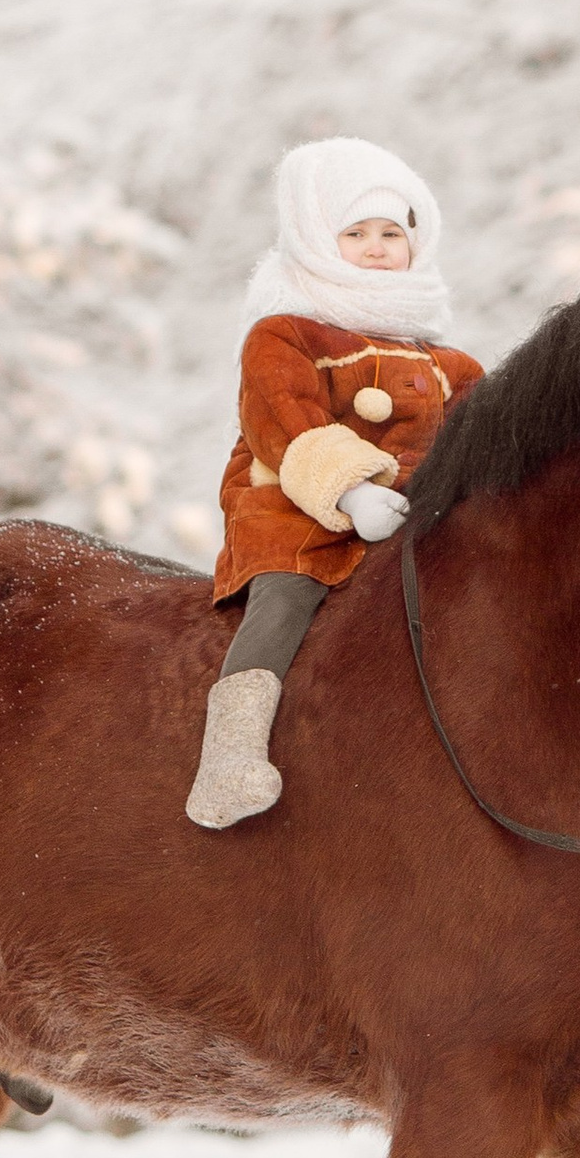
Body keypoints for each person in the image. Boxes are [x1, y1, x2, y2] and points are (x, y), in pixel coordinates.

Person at [185, 137, 482, 829]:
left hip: (414, 518)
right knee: (288, 593)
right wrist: (350, 491)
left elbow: (483, 436)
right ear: (320, 240)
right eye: (356, 233)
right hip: (298, 507)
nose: (378, 248)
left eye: (391, 233)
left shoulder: (448, 362)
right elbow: (284, 420)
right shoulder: (285, 333)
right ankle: (229, 756)